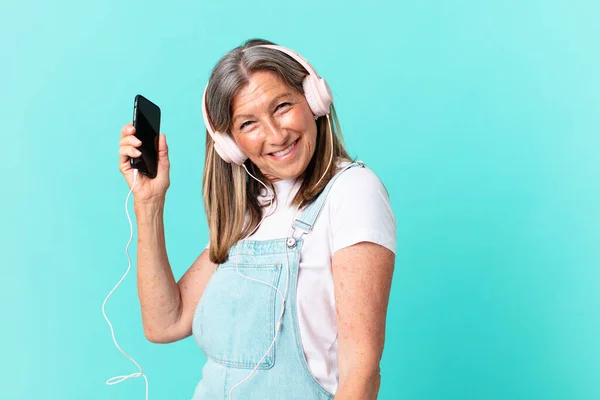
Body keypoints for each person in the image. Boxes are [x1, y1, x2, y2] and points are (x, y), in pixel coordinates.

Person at [118, 38, 396, 400]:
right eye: (248, 123)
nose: (276, 135)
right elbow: (164, 323)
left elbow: (361, 375)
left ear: (313, 100)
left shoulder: (353, 191)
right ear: (229, 145)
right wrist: (149, 203)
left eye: (282, 106)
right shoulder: (250, 213)